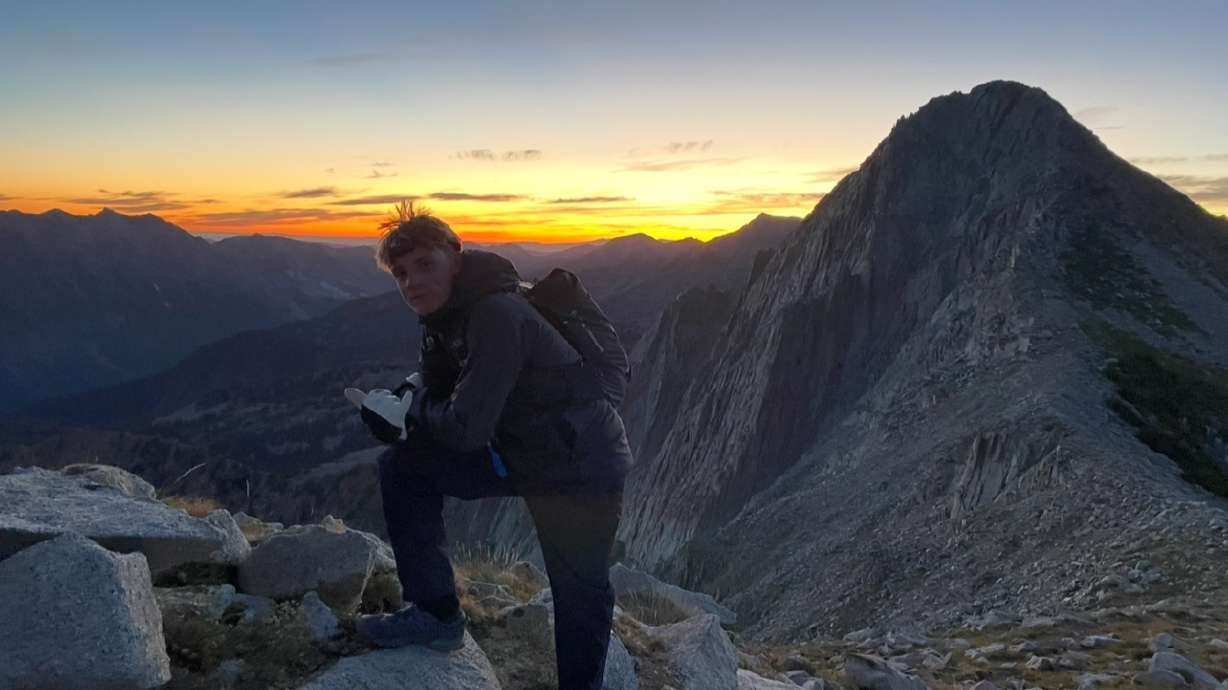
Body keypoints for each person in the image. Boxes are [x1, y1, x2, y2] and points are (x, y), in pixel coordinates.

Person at [354, 202, 633, 690]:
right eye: (400, 273)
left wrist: (412, 412)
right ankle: (436, 612)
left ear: (455, 256)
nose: (412, 282)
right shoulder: (447, 314)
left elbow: (465, 430)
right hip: (521, 453)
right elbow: (440, 388)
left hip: (579, 466)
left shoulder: (496, 313)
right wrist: (401, 405)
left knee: (579, 591)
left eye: (424, 264)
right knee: (403, 466)